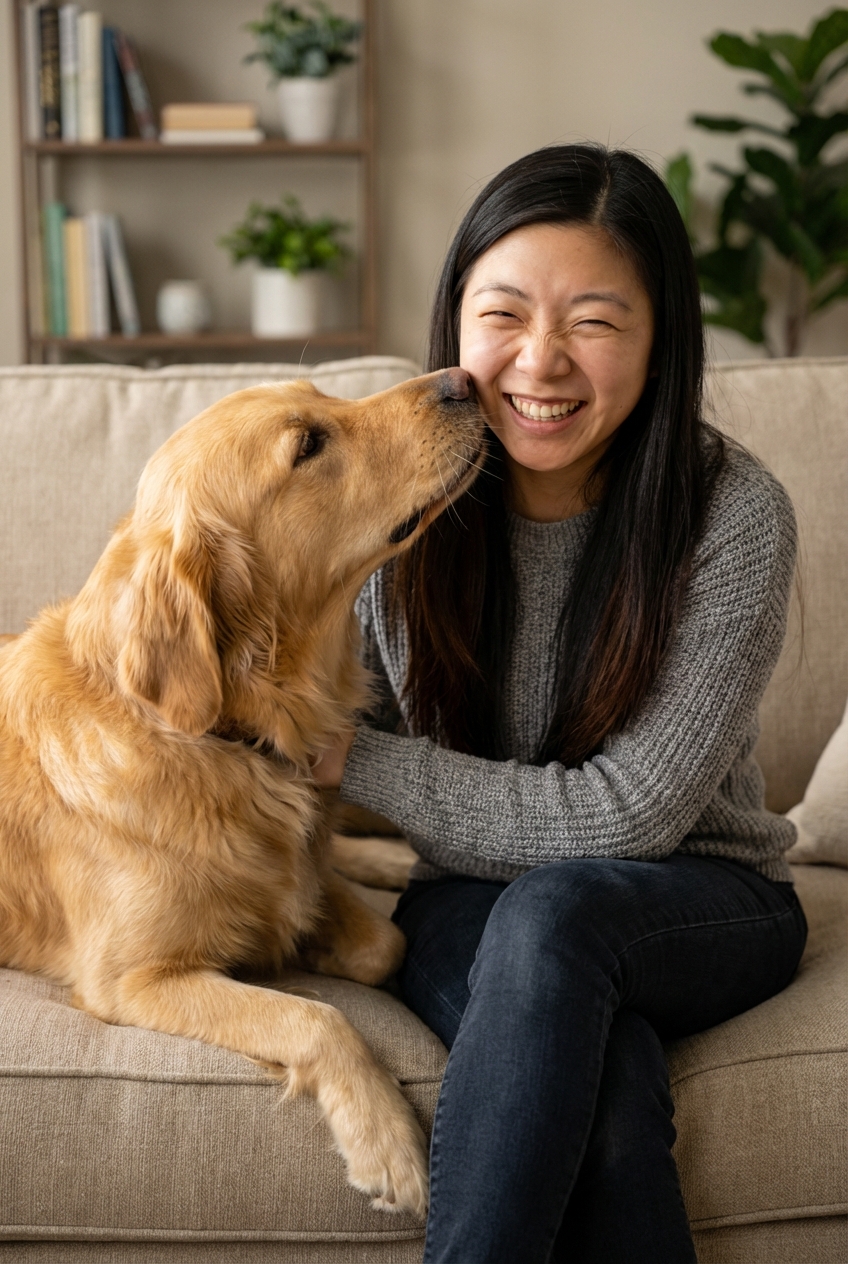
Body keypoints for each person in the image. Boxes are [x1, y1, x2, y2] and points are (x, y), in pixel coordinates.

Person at [312, 144, 807, 1264]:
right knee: (612, 1096)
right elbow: (312, 702)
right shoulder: (398, 508)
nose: (538, 361)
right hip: (467, 902)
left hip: (701, 894)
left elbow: (629, 818)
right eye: (502, 315)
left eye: (593, 321)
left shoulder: (731, 513)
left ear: (656, 339)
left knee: (558, 913)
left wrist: (354, 761)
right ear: (454, 324)